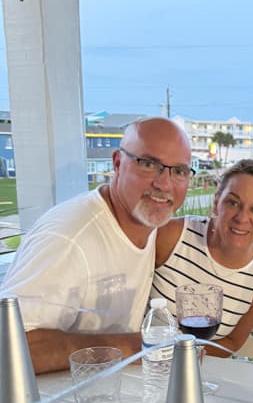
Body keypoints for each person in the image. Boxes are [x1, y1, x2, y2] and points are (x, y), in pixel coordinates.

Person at [1, 117, 193, 373]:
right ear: (117, 163)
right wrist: (129, 346)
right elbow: (8, 346)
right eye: (148, 164)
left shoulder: (148, 224)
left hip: (110, 397)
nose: (164, 184)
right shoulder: (69, 238)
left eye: (179, 171)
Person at [151, 158, 253, 357]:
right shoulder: (171, 236)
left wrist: (187, 355)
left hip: (202, 375)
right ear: (216, 202)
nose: (242, 218)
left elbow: (232, 342)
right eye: (233, 202)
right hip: (145, 368)